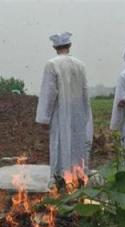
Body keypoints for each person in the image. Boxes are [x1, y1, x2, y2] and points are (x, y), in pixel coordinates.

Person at [35, 32, 93, 187]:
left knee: (60, 141)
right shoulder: (80, 65)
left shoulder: (52, 64)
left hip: (60, 111)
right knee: (77, 141)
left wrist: (44, 117)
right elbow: (85, 90)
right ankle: (78, 174)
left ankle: (59, 176)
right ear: (70, 45)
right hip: (78, 111)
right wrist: (85, 112)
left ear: (54, 47)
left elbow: (49, 92)